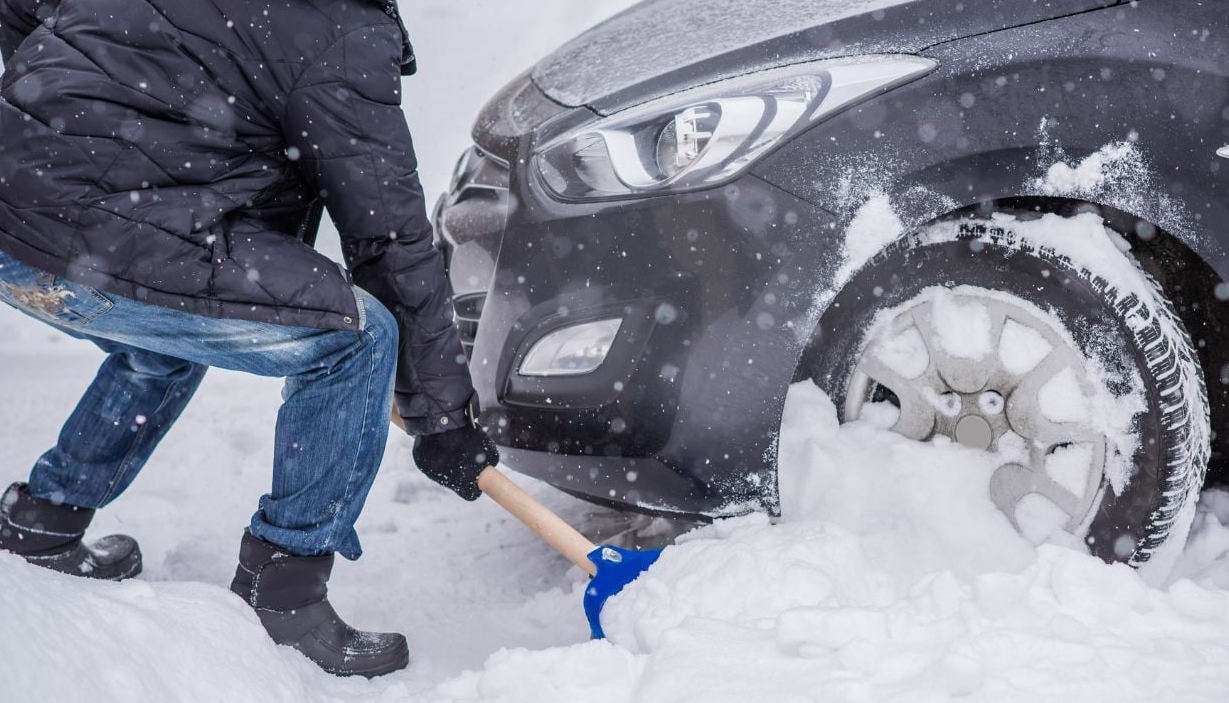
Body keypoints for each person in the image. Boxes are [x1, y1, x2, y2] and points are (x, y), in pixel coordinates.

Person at [0, 0, 498, 678]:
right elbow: (387, 237)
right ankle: (284, 592)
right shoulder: (340, 30)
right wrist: (441, 415)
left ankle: (43, 520)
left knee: (172, 325)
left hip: (16, 228)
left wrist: (56, 126)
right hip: (98, 240)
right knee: (358, 337)